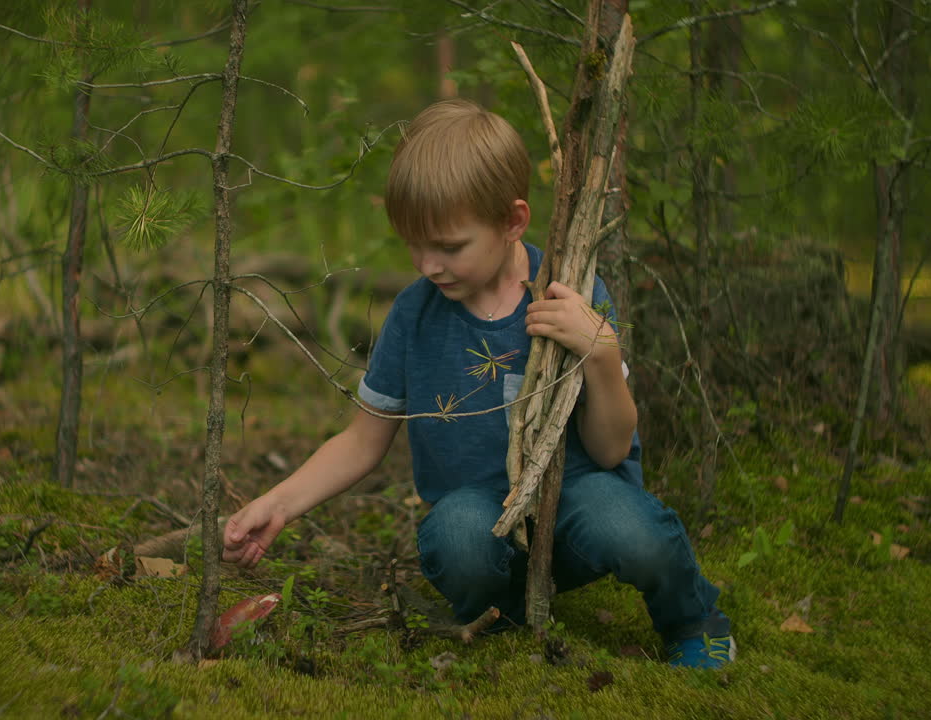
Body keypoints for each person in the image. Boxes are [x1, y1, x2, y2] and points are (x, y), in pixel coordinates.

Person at [222, 98, 734, 669]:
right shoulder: (414, 316)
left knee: (631, 528)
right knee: (457, 538)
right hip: (482, 516)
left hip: (580, 503)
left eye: (448, 247)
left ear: (512, 221)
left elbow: (612, 449)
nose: (428, 265)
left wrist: (601, 352)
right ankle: (502, 613)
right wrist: (279, 504)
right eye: (414, 245)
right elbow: (363, 441)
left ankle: (693, 621)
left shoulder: (570, 295)